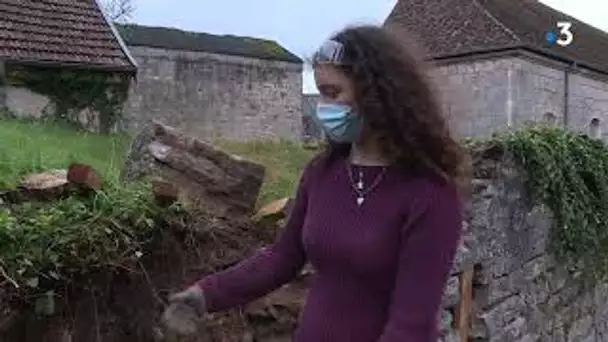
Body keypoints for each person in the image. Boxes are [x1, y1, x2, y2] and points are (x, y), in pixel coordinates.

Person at [161, 24, 469, 342]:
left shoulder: (430, 193)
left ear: (376, 94)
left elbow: (411, 326)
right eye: (320, 91)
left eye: (332, 93)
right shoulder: (322, 173)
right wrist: (206, 295)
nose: (323, 107)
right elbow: (282, 258)